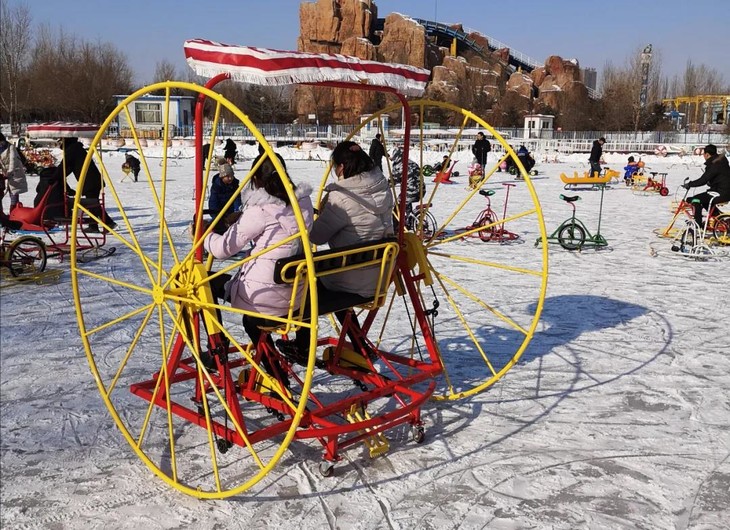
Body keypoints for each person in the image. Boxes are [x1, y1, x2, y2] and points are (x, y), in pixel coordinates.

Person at [277, 141, 395, 360]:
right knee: (338, 282)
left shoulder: (341, 196)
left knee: (305, 286)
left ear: (341, 167)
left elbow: (316, 236)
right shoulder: (382, 187)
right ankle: (360, 346)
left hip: (351, 280)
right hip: (377, 277)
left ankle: (302, 347)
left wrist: (318, 215)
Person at [203, 153, 314, 381]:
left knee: (203, 283)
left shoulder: (260, 210)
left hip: (262, 296)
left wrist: (206, 234)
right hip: (295, 294)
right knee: (253, 318)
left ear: (255, 180)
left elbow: (223, 249)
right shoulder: (303, 203)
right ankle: (273, 364)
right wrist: (241, 220)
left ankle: (217, 348)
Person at [59, 137, 116, 231]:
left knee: (93, 205)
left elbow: (63, 167)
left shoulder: (72, 151)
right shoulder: (76, 149)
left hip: (91, 182)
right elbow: (67, 168)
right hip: (92, 181)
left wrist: (54, 176)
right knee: (92, 204)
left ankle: (108, 223)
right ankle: (94, 226)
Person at [682, 144, 730, 228]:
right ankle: (719, 220)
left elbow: (703, 180)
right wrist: (711, 182)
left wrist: (689, 184)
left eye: (704, 154)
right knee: (704, 201)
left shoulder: (714, 164)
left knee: (695, 200)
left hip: (721, 193)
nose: (703, 155)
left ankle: (698, 225)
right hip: (725, 191)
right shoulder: (721, 160)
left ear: (707, 154)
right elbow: (721, 176)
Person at [207, 158, 242, 233]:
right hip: (218, 211)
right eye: (227, 176)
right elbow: (213, 200)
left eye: (231, 176)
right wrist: (215, 214)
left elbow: (237, 198)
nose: (230, 178)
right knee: (218, 227)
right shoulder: (216, 186)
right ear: (222, 177)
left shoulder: (235, 185)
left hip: (230, 211)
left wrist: (237, 210)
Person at [0, 132, 28, 212]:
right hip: (5, 175)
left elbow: (13, 161)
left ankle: (14, 213)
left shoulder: (11, 147)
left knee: (14, 195)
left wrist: (9, 172)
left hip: (15, 174)